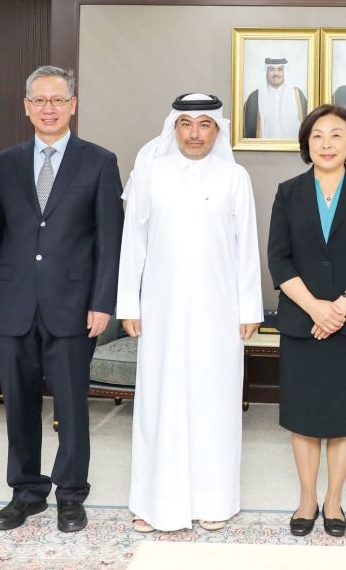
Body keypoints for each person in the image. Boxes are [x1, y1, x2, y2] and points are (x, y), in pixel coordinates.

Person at [0, 65, 124, 533]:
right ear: (26, 107)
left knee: (72, 407)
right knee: (18, 404)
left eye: (58, 99)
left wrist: (103, 302)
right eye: (39, 100)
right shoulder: (4, 163)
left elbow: (110, 241)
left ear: (73, 105)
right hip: (12, 304)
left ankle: (71, 495)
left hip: (74, 307)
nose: (49, 108)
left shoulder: (99, 161)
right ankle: (26, 492)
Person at [117, 94, 263, 534]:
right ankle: (154, 502)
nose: (195, 133)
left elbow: (246, 246)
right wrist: (128, 304)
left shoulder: (235, 177)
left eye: (204, 124)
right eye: (186, 124)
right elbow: (133, 243)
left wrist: (249, 308)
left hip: (220, 310)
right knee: (160, 402)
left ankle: (214, 500)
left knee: (214, 402)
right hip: (159, 309)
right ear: (174, 128)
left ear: (217, 129)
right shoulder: (150, 172)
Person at [267, 104, 346, 538]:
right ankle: (307, 499)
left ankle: (333, 499)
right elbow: (279, 259)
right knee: (303, 415)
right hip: (302, 323)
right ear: (306, 143)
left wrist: (339, 307)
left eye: (337, 134)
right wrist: (316, 308)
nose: (327, 143)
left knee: (343, 416)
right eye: (317, 135)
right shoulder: (288, 192)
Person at [243, 57, 308, 139]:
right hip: (263, 147)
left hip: (292, 147)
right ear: (266, 72)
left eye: (280, 69)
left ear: (285, 72)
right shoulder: (255, 97)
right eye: (271, 69)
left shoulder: (298, 96)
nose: (276, 74)